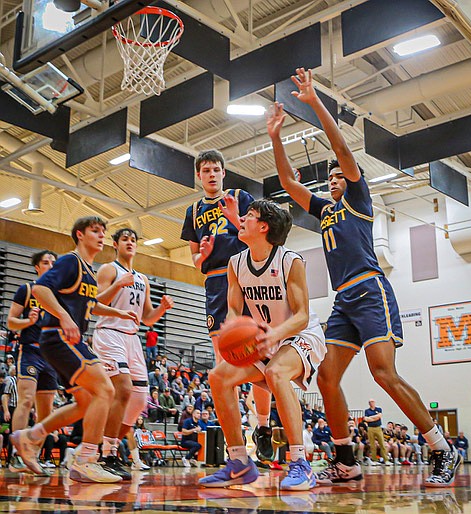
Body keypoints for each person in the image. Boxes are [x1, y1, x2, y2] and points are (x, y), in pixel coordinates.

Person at [266, 67, 462, 487]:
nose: (335, 177)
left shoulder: (357, 199)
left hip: (371, 290)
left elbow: (341, 147)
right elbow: (285, 181)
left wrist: (315, 101)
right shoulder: (324, 211)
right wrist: (276, 137)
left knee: (382, 373)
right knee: (327, 377)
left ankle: (441, 449)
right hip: (343, 299)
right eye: (332, 176)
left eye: (340, 174)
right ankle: (345, 459)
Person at [199, 200, 326, 490]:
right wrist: (233, 328)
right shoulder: (236, 263)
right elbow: (233, 310)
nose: (241, 219)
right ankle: (239, 464)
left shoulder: (290, 261)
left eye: (249, 216)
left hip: (300, 334)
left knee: (276, 372)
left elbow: (303, 316)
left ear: (263, 227)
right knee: (218, 378)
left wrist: (274, 333)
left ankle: (299, 463)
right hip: (262, 339)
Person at [11, 216, 139, 483]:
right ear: (80, 235)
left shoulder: (90, 271)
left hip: (67, 341)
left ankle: (30, 437)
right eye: (95, 231)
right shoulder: (71, 261)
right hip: (59, 337)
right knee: (106, 389)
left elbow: (91, 303)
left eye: (103, 232)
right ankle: (85, 461)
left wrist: (120, 313)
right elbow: (41, 289)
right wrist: (65, 317)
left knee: (88, 401)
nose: (101, 236)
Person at [181, 149, 274, 462]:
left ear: (223, 173)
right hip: (217, 282)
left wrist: (235, 217)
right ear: (198, 175)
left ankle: (262, 426)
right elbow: (194, 259)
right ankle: (237, 443)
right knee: (224, 362)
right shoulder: (193, 210)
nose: (211, 174)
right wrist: (202, 255)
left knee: (259, 355)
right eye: (205, 170)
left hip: (247, 273)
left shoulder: (239, 196)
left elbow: (258, 233)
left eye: (215, 169)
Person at [93, 226, 174, 480]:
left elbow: (148, 318)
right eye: (125, 239)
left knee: (139, 400)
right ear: (115, 244)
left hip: (132, 339)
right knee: (124, 390)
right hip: (109, 333)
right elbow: (94, 304)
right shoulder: (109, 270)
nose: (130, 243)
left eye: (133, 240)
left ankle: (110, 449)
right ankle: (108, 454)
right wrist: (118, 284)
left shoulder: (143, 279)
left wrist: (161, 309)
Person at [6, 249, 58, 472]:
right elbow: (10, 322)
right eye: (46, 262)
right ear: (37, 267)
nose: (50, 265)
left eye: (53, 263)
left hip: (52, 355)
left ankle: (32, 455)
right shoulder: (26, 290)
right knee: (26, 400)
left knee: (46, 412)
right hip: (30, 351)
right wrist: (28, 321)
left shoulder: (60, 296)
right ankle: (17, 454)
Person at [364, 399, 391, 466]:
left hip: (378, 428)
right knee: (372, 445)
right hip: (370, 428)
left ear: (374, 402)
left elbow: (379, 417)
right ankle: (374, 460)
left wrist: (371, 418)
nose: (371, 403)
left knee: (382, 443)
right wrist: (374, 417)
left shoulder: (378, 409)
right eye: (370, 402)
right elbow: (366, 419)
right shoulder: (367, 411)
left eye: (372, 402)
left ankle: (386, 460)